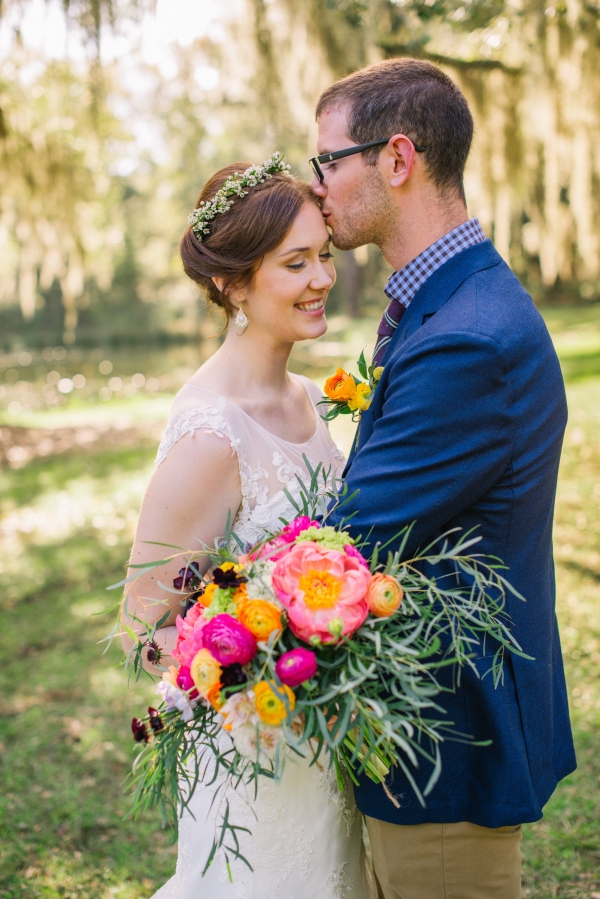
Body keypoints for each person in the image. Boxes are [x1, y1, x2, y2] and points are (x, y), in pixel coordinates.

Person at [312, 58, 576, 899]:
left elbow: (352, 541)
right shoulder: (447, 304)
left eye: (329, 161)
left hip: (449, 738)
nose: (318, 186)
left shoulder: (468, 336)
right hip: (422, 728)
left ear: (396, 159)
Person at [123, 158, 370, 898]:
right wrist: (258, 654)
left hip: (330, 741)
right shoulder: (210, 433)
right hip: (254, 758)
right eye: (295, 263)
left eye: (323, 255)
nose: (322, 278)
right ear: (232, 284)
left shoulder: (307, 400)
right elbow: (141, 624)